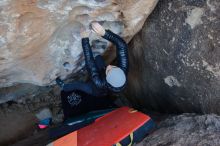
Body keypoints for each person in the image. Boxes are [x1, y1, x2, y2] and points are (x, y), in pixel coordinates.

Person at [56, 22, 129, 120]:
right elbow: (122, 45)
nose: (110, 66)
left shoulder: (99, 82)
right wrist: (104, 33)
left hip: (95, 90)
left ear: (107, 78)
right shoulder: (123, 70)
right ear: (121, 71)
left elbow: (90, 63)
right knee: (99, 59)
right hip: (103, 79)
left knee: (79, 85)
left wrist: (85, 39)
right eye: (115, 67)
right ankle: (97, 55)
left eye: (109, 70)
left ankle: (64, 86)